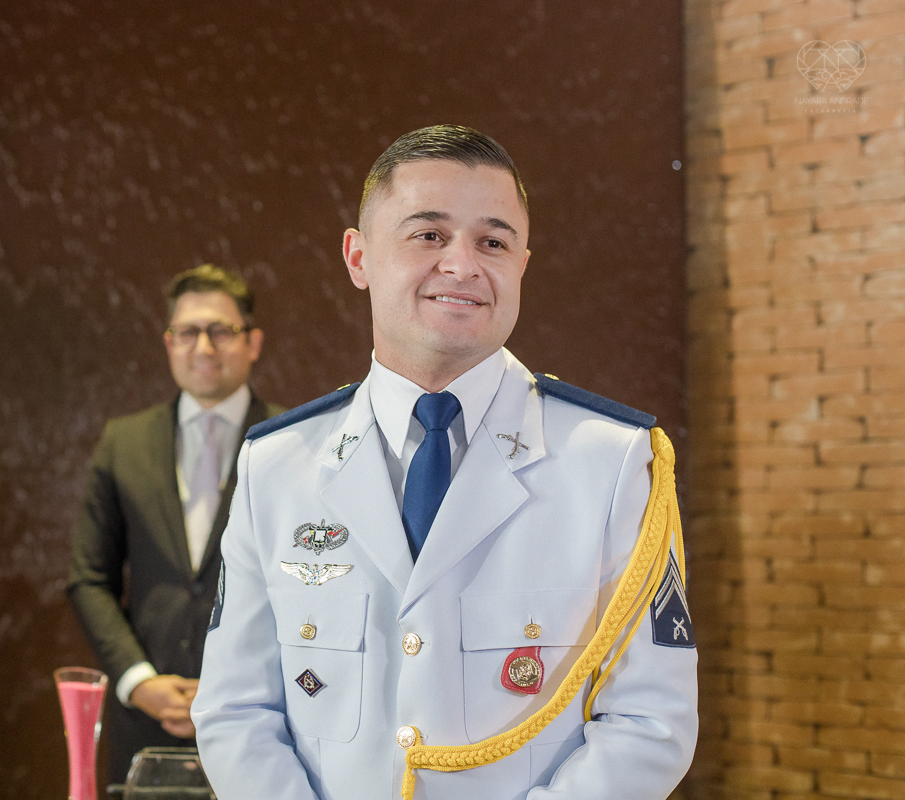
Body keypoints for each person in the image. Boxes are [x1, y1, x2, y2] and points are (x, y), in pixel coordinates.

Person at [191, 126, 698, 799]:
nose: (462, 265)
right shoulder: (277, 465)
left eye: (493, 242)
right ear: (358, 257)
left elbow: (649, 722)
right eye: (428, 235)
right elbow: (236, 712)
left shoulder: (610, 463)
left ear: (522, 264)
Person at [67, 264, 285, 783]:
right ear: (169, 343)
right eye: (187, 332)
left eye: (221, 331)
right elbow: (88, 578)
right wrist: (138, 680)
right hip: (146, 724)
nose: (203, 347)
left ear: (253, 342)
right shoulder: (124, 443)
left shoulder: (293, 442)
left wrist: (236, 685)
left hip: (262, 721)